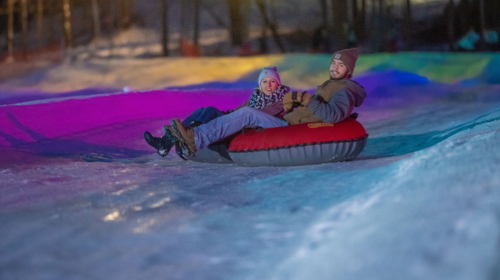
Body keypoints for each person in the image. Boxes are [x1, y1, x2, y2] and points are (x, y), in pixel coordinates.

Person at [166, 48, 367, 156]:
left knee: (248, 114)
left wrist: (307, 99)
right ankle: (186, 135)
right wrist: (297, 101)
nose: (335, 67)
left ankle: (196, 138)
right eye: (334, 62)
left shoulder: (345, 91)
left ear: (348, 70)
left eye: (340, 65)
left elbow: (333, 115)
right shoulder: (331, 85)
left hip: (290, 126)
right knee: (235, 112)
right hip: (290, 121)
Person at [144, 66, 290, 157]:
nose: (268, 85)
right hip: (243, 120)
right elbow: (237, 111)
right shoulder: (257, 98)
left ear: (278, 84)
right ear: (260, 84)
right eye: (265, 81)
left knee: (243, 112)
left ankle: (193, 136)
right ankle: (167, 142)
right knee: (207, 110)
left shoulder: (284, 99)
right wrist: (226, 114)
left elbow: (263, 116)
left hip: (265, 125)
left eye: (272, 81)